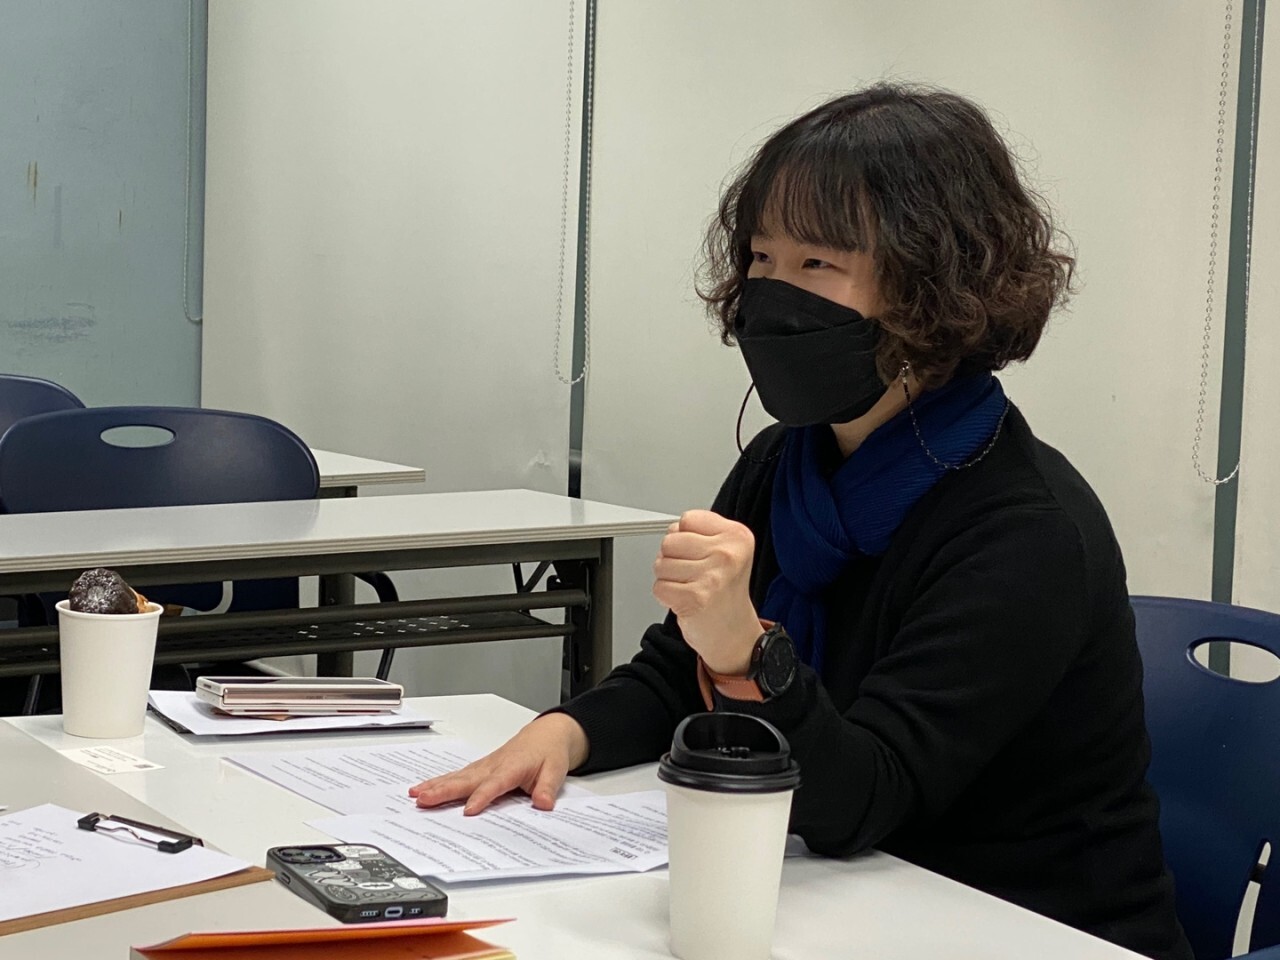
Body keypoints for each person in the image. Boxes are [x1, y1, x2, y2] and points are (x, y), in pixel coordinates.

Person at [409, 83, 1192, 960]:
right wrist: (564, 731)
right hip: (840, 901)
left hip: (1029, 928)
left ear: (932, 287)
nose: (773, 297)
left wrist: (747, 655)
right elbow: (675, 674)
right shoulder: (789, 461)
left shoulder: (1026, 531)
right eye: (761, 258)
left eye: (817, 264)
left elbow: (866, 797)